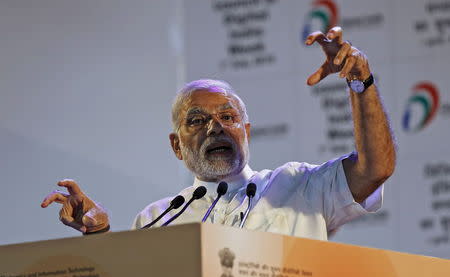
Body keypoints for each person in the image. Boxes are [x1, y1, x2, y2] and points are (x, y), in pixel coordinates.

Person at [41, 27, 396, 240]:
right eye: (197, 120)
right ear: (176, 146)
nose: (216, 126)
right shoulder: (155, 219)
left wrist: (360, 82)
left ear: (246, 132)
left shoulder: (300, 187)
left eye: (228, 116)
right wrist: (101, 238)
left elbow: (375, 168)